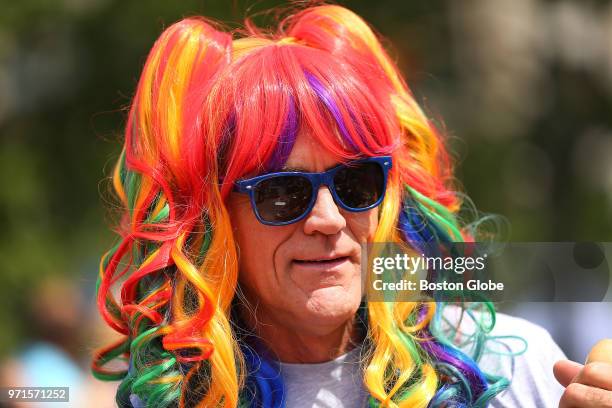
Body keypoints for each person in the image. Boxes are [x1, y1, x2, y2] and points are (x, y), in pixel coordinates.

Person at [91, 4, 612, 407]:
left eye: (356, 182)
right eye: (282, 193)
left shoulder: (509, 364)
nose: (329, 218)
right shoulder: (168, 397)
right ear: (215, 221)